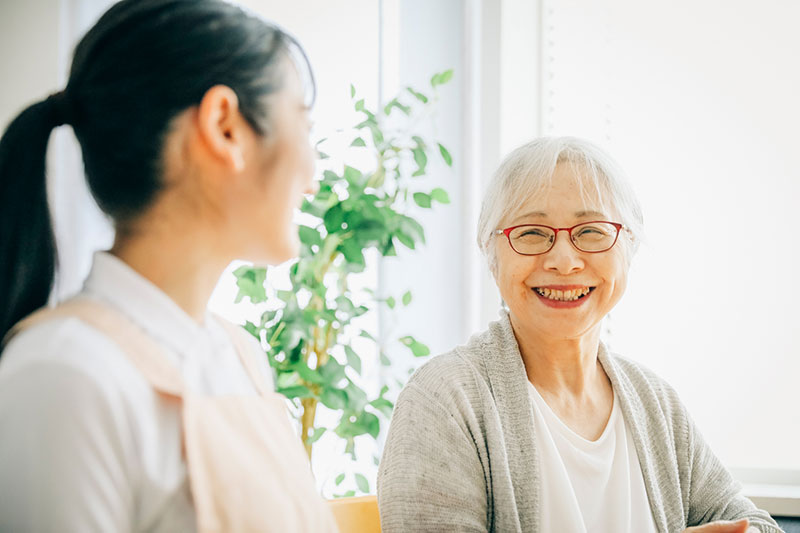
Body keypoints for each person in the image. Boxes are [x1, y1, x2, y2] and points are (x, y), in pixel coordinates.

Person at [0, 1, 338, 531]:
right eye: (304, 122)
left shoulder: (243, 357)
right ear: (224, 126)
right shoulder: (64, 375)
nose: (314, 177)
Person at [377, 137, 782, 533]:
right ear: (491, 254)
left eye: (591, 231)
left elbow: (756, 524)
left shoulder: (655, 403)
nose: (564, 261)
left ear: (629, 247)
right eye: (532, 233)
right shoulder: (446, 401)